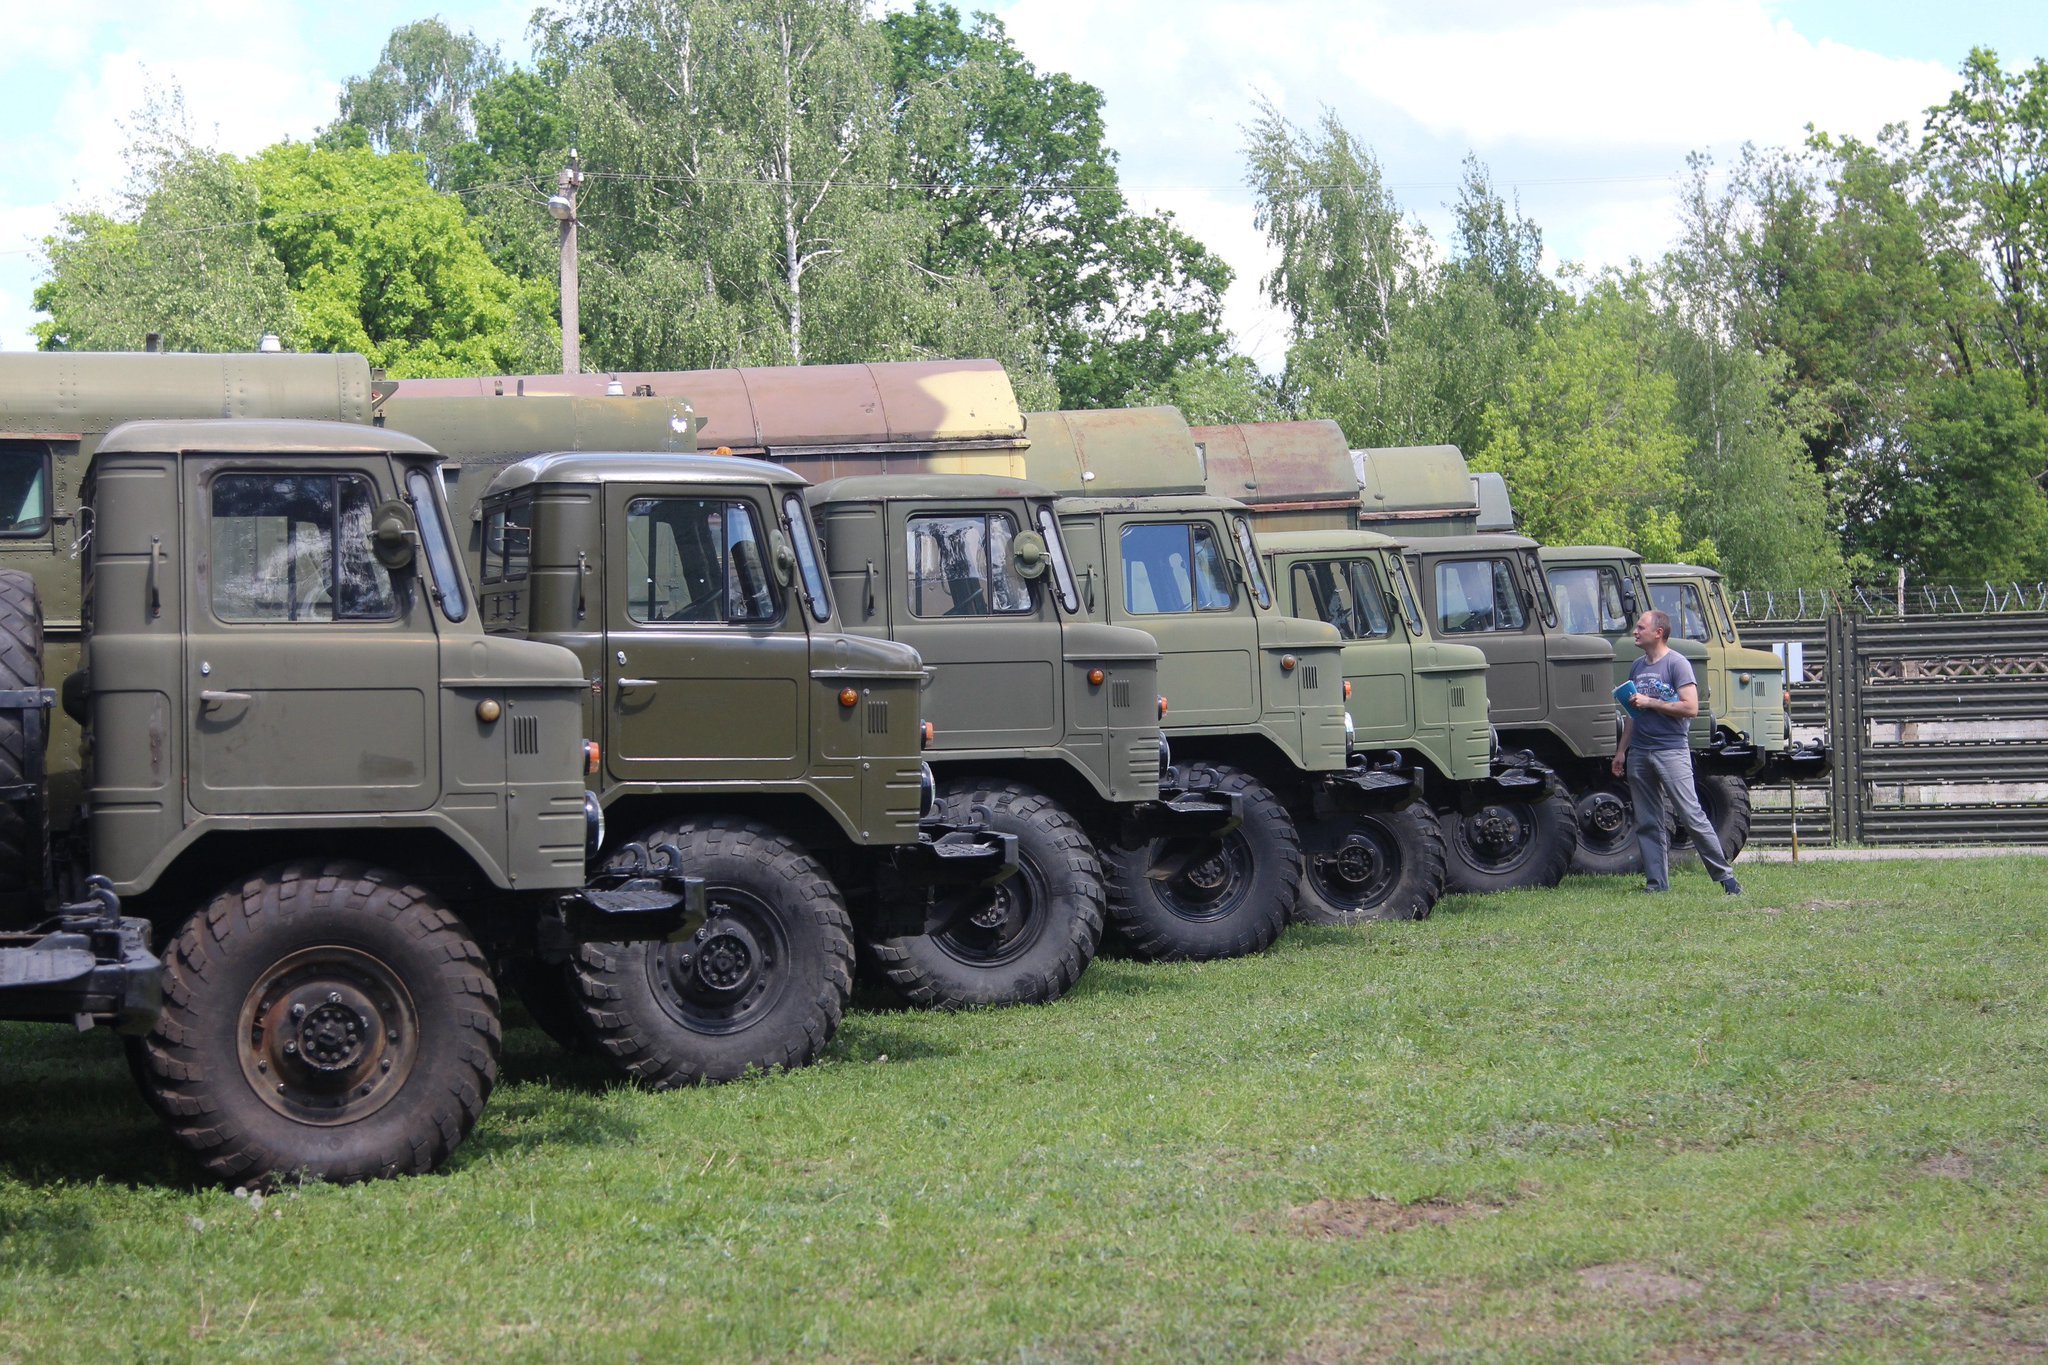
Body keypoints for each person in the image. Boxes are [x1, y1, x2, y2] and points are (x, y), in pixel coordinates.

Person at [1611, 609, 1742, 895]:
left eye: (1641, 627)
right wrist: (1622, 751)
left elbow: (1690, 708)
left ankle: (1727, 880)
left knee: (1691, 814)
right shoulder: (1637, 667)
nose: (1635, 631)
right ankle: (1657, 884)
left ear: (1658, 632)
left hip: (1671, 751)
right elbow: (1632, 715)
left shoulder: (1677, 664)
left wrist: (1651, 702)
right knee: (1648, 821)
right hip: (1640, 753)